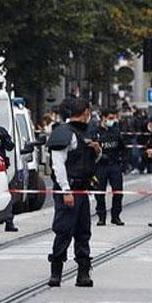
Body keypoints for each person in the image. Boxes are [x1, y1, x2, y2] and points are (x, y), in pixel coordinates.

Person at [46, 97, 101, 287]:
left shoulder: (88, 132)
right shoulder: (63, 133)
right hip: (68, 190)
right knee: (63, 231)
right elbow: (58, 164)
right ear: (85, 112)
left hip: (83, 190)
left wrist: (97, 150)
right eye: (89, 112)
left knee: (83, 232)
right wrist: (65, 190)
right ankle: (56, 272)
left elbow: (90, 160)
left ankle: (83, 273)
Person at [94, 108, 125, 227]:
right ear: (103, 118)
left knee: (118, 191)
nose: (112, 121)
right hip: (100, 166)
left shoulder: (116, 131)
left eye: (113, 118)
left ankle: (116, 216)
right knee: (99, 192)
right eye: (110, 118)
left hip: (115, 164)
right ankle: (101, 217)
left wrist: (122, 161)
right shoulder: (96, 132)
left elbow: (122, 147)